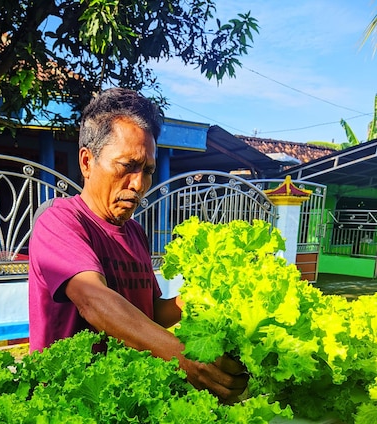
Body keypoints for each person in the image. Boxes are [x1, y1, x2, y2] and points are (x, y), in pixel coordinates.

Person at [28, 87, 248, 403]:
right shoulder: (60, 220)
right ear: (87, 162)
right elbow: (93, 300)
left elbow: (148, 314)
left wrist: (196, 299)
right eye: (127, 166)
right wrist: (183, 358)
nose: (138, 184)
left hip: (131, 400)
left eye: (147, 170)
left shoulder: (134, 233)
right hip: (71, 403)